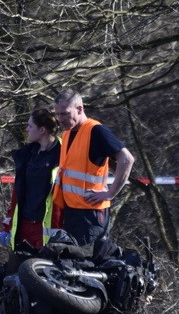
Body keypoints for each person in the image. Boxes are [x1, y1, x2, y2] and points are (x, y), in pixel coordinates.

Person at [52, 88, 135, 246]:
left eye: (64, 114)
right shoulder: (67, 133)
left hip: (91, 214)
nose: (59, 119)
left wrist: (110, 193)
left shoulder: (96, 131)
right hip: (71, 212)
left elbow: (127, 158)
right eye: (57, 114)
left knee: (88, 264)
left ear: (79, 109)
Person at [0, 107, 62, 250]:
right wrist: (7, 226)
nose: (27, 129)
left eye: (30, 126)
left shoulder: (63, 154)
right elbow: (18, 192)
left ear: (42, 130)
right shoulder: (27, 154)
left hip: (48, 227)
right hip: (24, 226)